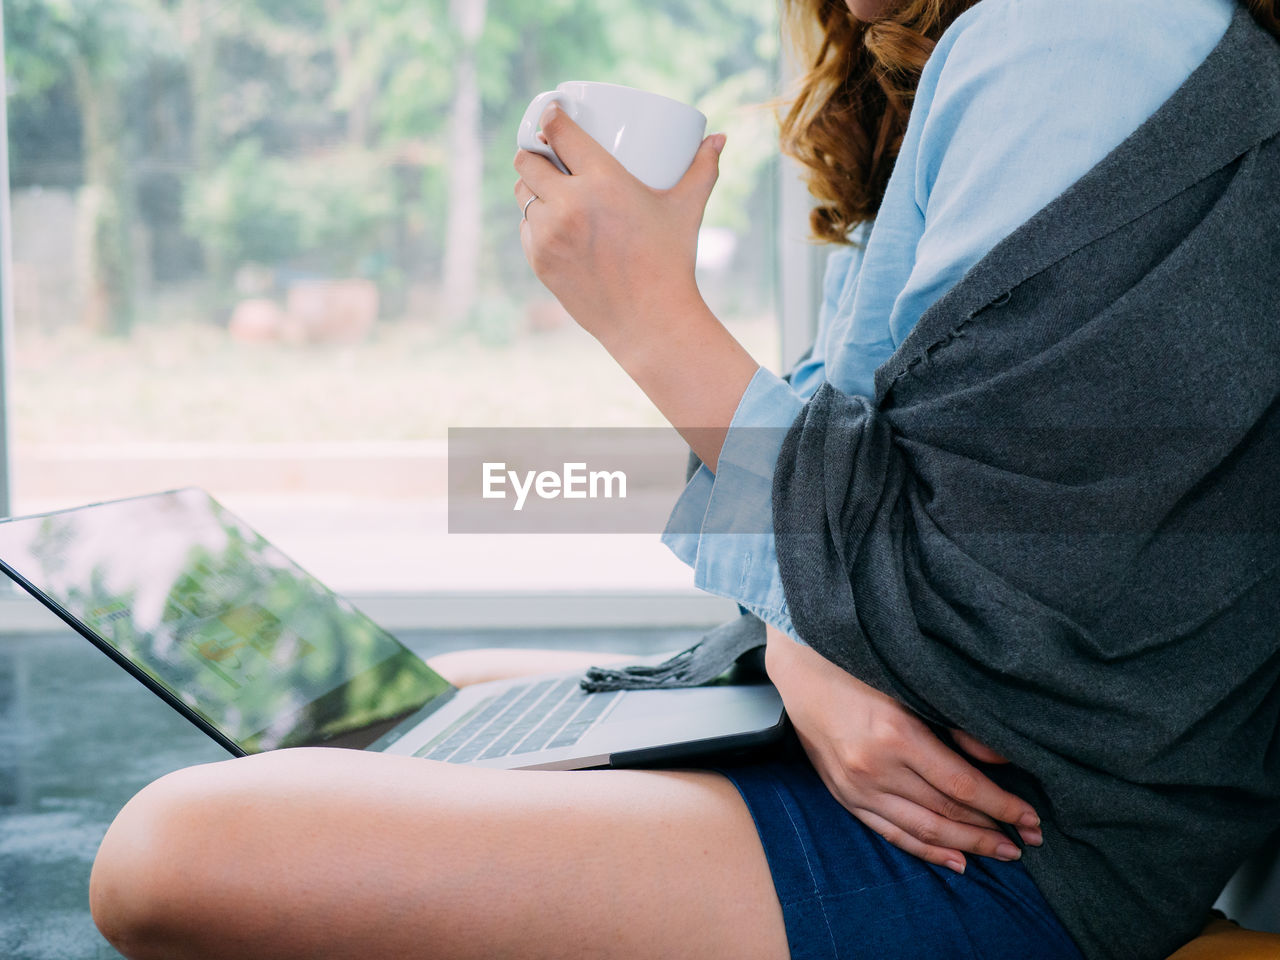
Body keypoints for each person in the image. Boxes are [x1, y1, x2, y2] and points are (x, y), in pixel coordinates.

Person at [88, 1, 1280, 959]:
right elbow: (881, 500)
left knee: (172, 849)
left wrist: (650, 317)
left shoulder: (1081, 34)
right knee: (428, 706)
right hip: (908, 749)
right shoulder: (1001, 52)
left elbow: (989, 629)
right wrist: (803, 656)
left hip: (996, 837)